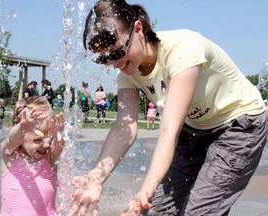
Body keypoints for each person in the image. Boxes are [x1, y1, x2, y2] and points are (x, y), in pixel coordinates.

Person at [70, 0, 268, 216]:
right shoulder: (127, 73)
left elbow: (169, 130)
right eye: (104, 59)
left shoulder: (182, 49)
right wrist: (95, 178)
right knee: (155, 211)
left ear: (138, 29)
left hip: (239, 126)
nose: (113, 63)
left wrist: (146, 190)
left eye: (116, 53)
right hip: (195, 130)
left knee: (197, 211)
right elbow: (123, 128)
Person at [1, 96, 64, 215]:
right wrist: (22, 127)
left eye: (49, 139)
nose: (45, 145)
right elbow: (11, 140)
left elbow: (58, 148)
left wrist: (58, 137)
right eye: (38, 140)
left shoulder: (50, 160)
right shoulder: (10, 157)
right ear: (22, 136)